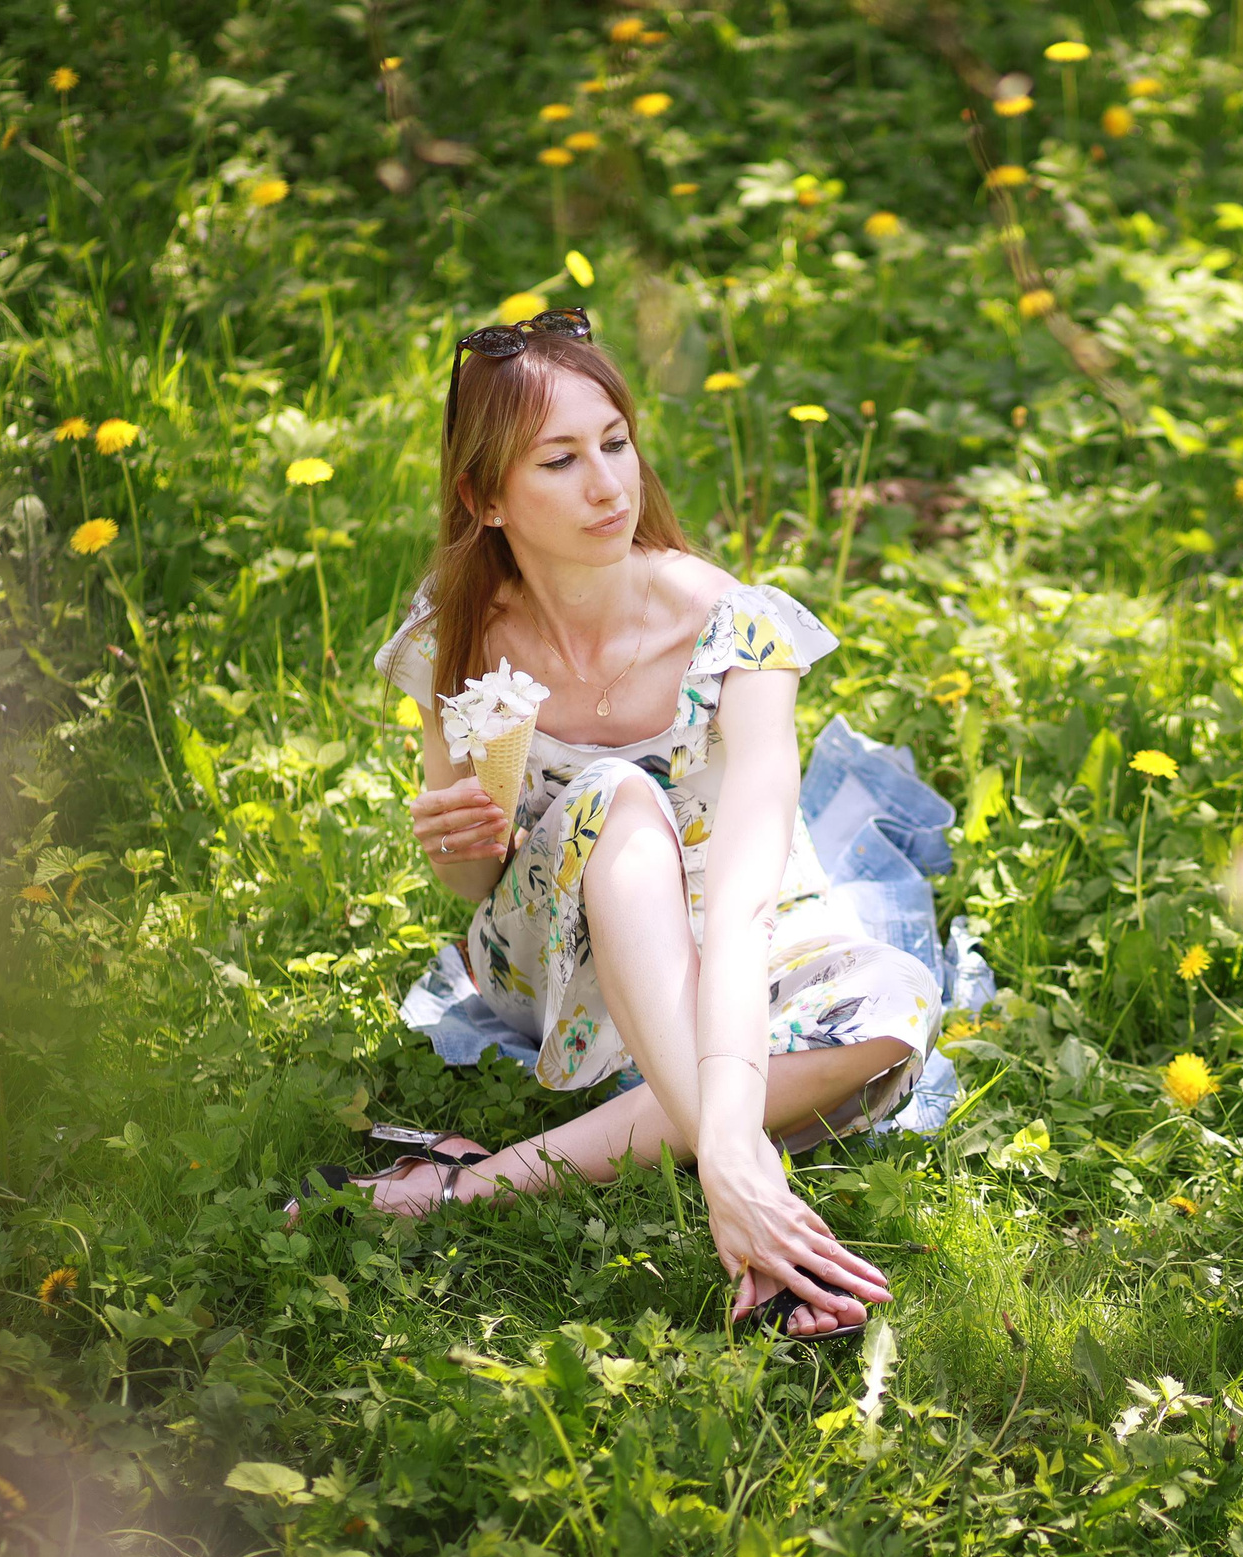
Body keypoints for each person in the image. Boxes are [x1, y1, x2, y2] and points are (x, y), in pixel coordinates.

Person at [353, 307, 940, 1342]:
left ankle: (473, 1183)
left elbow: (754, 892)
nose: (607, 486)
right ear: (485, 499)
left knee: (890, 1010)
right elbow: (475, 892)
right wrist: (459, 846)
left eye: (616, 442)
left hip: (724, 930)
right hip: (555, 955)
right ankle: (741, 1171)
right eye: (560, 461)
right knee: (621, 799)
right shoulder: (456, 641)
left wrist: (723, 1133)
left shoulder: (734, 633)